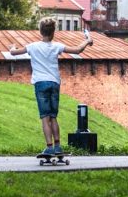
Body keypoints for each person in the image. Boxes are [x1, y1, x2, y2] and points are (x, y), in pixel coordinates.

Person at [9, 18, 93, 157]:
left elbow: (13, 53)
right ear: (53, 32)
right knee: (53, 117)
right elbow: (77, 50)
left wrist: (12, 47)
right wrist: (87, 41)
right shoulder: (57, 46)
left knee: (45, 117)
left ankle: (49, 147)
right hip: (54, 83)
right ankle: (58, 147)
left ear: (40, 31)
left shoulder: (33, 46)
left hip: (41, 84)